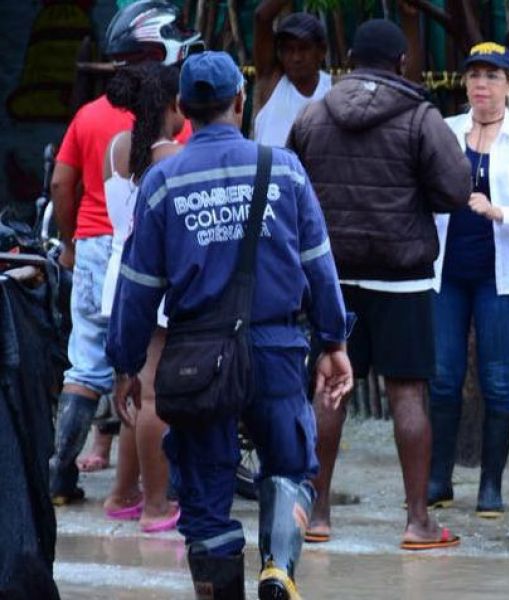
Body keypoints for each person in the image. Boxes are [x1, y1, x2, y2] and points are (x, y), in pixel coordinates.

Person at [107, 51, 352, 598]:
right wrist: (333, 339)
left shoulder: (163, 182)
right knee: (288, 466)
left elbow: (138, 287)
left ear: (184, 109)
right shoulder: (284, 169)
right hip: (277, 348)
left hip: (197, 358)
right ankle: (278, 569)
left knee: (205, 493)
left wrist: (124, 363)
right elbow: (319, 263)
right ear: (240, 102)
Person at [289, 19, 471, 549]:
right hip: (402, 278)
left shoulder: (313, 113)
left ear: (347, 59)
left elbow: (291, 188)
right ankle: (419, 523)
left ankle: (317, 514)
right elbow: (457, 191)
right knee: (409, 394)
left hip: (332, 278)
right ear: (400, 63)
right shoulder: (420, 117)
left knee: (329, 389)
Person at [47, 0, 197, 506]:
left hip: (99, 255)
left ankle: (65, 478)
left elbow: (60, 183)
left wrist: (69, 244)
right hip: (150, 270)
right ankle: (152, 497)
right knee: (149, 386)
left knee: (89, 368)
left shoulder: (94, 120)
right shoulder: (177, 133)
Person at [425, 42, 509, 518]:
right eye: (474, 75)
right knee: (442, 378)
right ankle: (438, 479)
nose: (482, 84)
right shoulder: (442, 130)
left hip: (502, 277)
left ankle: (491, 487)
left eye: (493, 76)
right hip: (446, 273)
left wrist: (497, 211)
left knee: (499, 382)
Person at [98, 61, 185, 533]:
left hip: (120, 277)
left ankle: (122, 493)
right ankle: (156, 507)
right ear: (175, 104)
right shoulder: (175, 157)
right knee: (152, 396)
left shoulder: (117, 147)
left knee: (131, 390)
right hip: (157, 284)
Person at [252, 1, 332, 147]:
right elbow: (262, 17)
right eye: (289, 49)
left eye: (304, 48)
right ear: (280, 53)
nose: (296, 57)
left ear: (321, 51)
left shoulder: (334, 88)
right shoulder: (272, 80)